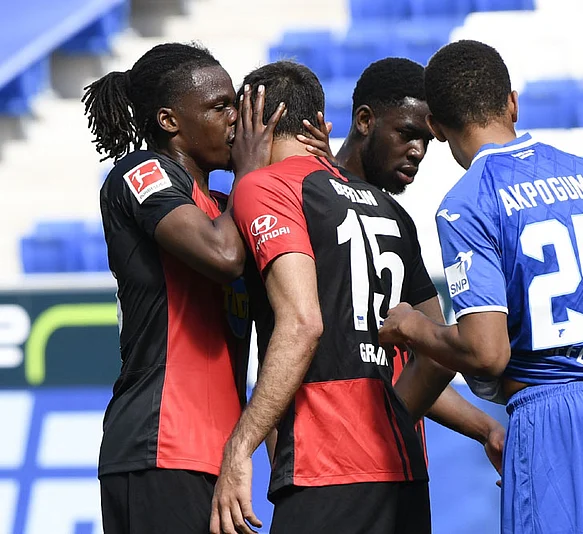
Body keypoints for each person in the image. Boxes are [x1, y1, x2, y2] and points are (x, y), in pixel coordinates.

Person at [378, 40, 583, 534]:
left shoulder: (468, 202)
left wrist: (410, 326)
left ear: (436, 126)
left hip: (555, 419)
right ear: (512, 104)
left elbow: (486, 352)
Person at [209, 60, 455, 534]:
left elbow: (303, 325)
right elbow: (441, 353)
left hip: (326, 468)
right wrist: (386, 421)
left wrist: (239, 449)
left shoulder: (268, 186)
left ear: (253, 119)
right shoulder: (389, 207)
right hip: (402, 471)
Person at [83, 42, 283, 533]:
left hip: (220, 456)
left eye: (236, 103)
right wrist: (251, 173)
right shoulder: (141, 172)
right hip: (160, 445)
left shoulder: (225, 206)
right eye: (219, 107)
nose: (235, 120)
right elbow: (223, 257)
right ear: (170, 121)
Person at [298, 56, 505, 473]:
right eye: (407, 134)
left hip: (378, 466)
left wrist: (487, 429)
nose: (418, 151)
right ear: (364, 120)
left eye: (426, 140)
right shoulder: (303, 199)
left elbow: (434, 357)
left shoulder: (398, 221)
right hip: (327, 467)